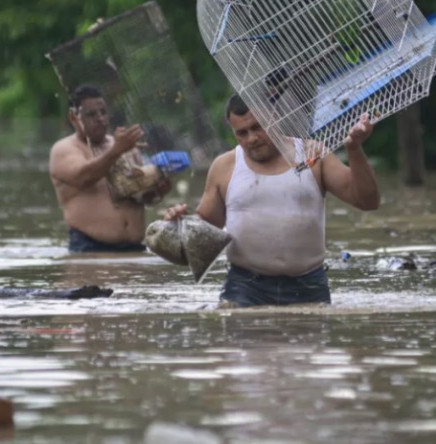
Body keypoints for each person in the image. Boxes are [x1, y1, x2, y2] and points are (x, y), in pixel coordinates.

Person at [163, 94, 380, 308]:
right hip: (245, 287)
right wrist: (181, 223)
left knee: (311, 344)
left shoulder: (312, 154)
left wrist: (354, 149)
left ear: (276, 119)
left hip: (308, 284)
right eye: (242, 133)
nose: (252, 138)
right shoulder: (224, 166)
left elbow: (367, 201)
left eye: (258, 128)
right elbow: (207, 225)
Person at [49, 84, 171, 253]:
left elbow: (140, 196)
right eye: (91, 114)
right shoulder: (65, 149)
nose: (100, 119)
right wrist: (117, 151)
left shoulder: (123, 145)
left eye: (103, 112)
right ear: (74, 117)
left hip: (135, 248)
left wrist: (157, 192)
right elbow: (84, 175)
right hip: (90, 249)